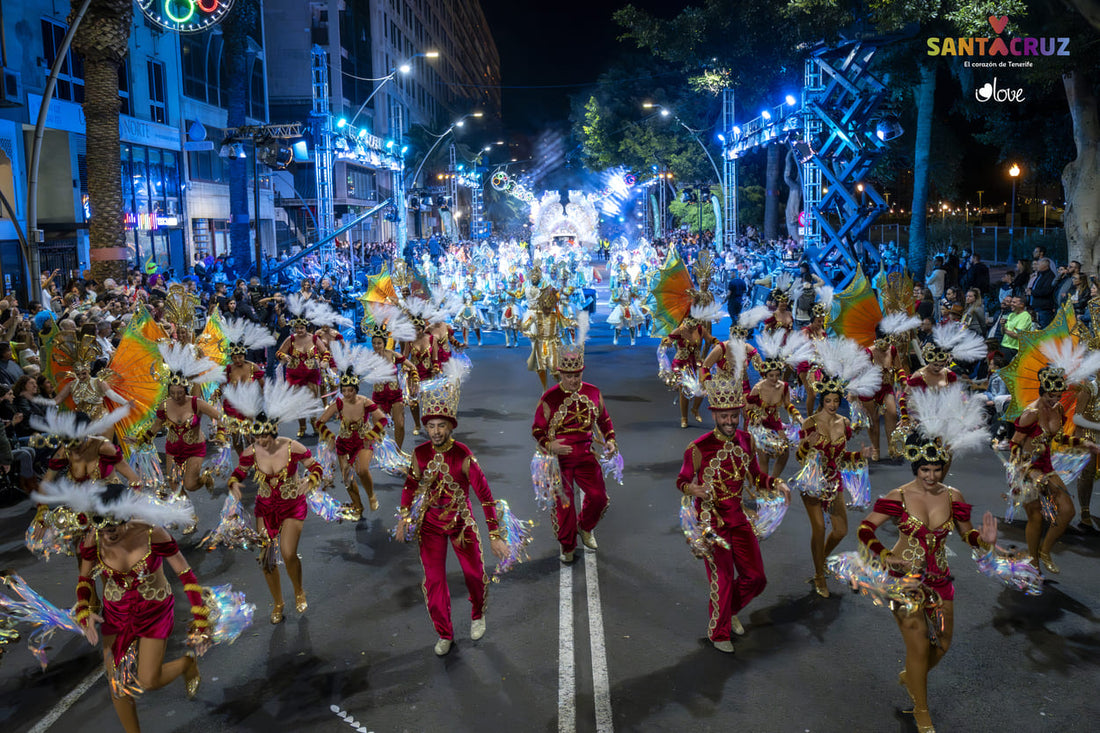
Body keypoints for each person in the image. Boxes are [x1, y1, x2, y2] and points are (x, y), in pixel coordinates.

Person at [849, 386, 1002, 733]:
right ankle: (921, 712)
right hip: (905, 583)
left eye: (936, 470)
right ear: (916, 467)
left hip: (941, 581)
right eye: (925, 471)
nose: (932, 477)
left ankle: (911, 678)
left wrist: (985, 540)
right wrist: (887, 556)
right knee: (918, 646)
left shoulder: (954, 495)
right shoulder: (899, 496)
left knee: (943, 645)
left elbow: (966, 536)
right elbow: (864, 531)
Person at [33, 479, 206, 733]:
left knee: (148, 680)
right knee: (117, 683)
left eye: (115, 527)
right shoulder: (93, 539)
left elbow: (185, 573)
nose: (108, 535)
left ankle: (186, 664)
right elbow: (84, 580)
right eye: (103, 529)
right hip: (117, 614)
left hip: (154, 611)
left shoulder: (151, 532)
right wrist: (85, 610)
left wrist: (200, 618)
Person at [395, 368, 507, 656]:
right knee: (434, 583)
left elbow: (485, 496)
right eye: (430, 426)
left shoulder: (463, 455)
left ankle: (477, 613)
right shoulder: (420, 455)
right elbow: (410, 485)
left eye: (440, 426)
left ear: (451, 427)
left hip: (461, 524)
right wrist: (404, 518)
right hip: (430, 525)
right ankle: (444, 633)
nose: (435, 431)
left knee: (474, 575)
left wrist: (495, 535)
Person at [677, 373, 790, 652]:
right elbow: (681, 481)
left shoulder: (746, 440)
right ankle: (719, 632)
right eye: (723, 417)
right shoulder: (698, 448)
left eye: (733, 416)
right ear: (714, 414)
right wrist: (694, 490)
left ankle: (728, 611)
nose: (729, 422)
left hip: (738, 518)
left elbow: (755, 476)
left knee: (757, 578)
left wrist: (776, 483)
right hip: (711, 522)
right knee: (724, 578)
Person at [226, 377, 324, 624]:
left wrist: (310, 481)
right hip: (266, 508)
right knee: (266, 557)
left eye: (265, 438)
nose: (261, 442)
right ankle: (278, 602)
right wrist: (234, 483)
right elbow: (238, 472)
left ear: (273, 432)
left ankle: (299, 590)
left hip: (292, 505)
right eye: (257, 438)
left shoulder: (293, 447)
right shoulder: (251, 452)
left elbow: (316, 467)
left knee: (289, 553)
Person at [793, 338, 878, 597]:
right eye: (827, 400)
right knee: (819, 528)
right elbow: (799, 457)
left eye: (835, 400)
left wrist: (859, 457)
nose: (831, 404)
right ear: (821, 399)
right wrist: (807, 445)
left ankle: (821, 559)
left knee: (840, 531)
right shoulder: (809, 423)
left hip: (834, 481)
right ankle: (820, 575)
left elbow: (840, 458)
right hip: (812, 482)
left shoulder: (844, 424)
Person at [531, 315, 618, 563]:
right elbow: (537, 430)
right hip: (559, 461)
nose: (573, 380)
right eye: (568, 375)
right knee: (565, 506)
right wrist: (551, 446)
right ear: (559, 374)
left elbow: (605, 421)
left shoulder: (593, 392)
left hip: (586, 455)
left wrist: (610, 440)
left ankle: (586, 526)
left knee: (599, 497)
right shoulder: (549, 398)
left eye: (577, 374)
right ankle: (567, 544)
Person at [1008, 359, 1100, 573]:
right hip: (1026, 468)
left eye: (1058, 397)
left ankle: (1045, 550)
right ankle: (1033, 560)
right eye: (1051, 396)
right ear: (1042, 391)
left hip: (1047, 466)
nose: (1055, 401)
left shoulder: (1058, 409)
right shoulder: (1031, 413)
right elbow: (1014, 444)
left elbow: (1060, 437)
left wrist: (1083, 443)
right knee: (1036, 516)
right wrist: (1025, 472)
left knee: (1067, 511)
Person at [132, 344, 224, 496]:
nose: (176, 397)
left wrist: (220, 434)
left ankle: (205, 478)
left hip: (194, 448)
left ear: (185, 390)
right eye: (172, 393)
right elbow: (156, 426)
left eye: (179, 393)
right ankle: (186, 513)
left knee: (190, 485)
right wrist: (140, 440)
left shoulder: (196, 403)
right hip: (173, 448)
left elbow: (219, 417)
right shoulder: (165, 405)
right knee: (173, 484)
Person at [314, 343, 393, 519]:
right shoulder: (339, 404)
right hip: (344, 443)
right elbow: (319, 422)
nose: (347, 394)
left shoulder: (364, 401)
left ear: (356, 389)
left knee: (362, 470)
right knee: (347, 480)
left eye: (350, 390)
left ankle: (371, 494)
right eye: (344, 390)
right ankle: (358, 507)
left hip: (363, 440)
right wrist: (329, 436)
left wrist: (372, 435)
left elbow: (383, 419)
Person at [999, 296, 1033, 363]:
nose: (1011, 304)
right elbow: (1002, 332)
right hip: (1003, 346)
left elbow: (1017, 335)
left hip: (1014, 349)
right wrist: (1002, 326)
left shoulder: (1025, 316)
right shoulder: (1011, 315)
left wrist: (1005, 330)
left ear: (1021, 305)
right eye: (1011, 302)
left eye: (1014, 302)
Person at [1027, 257, 1056, 328]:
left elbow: (1046, 291)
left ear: (1045, 266)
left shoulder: (1050, 276)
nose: (1037, 266)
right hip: (1036, 307)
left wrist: (1032, 292)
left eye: (1038, 264)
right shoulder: (1040, 275)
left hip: (1044, 309)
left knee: (1044, 329)